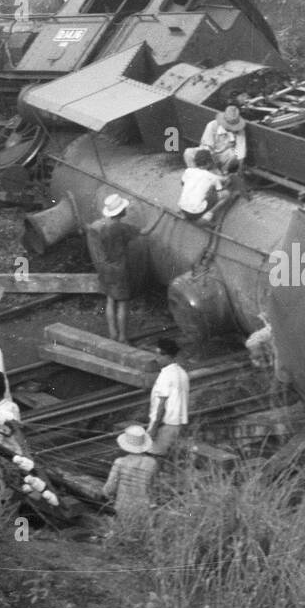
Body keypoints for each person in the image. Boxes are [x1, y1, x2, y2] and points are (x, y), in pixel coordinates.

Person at [87, 193, 140, 342]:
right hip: (119, 270)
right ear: (121, 212)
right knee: (123, 303)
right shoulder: (122, 228)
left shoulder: (98, 225)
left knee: (110, 300)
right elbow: (144, 232)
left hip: (104, 268)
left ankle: (113, 333)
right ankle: (123, 337)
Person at [103, 424, 159, 518]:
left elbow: (109, 489)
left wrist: (110, 496)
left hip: (123, 510)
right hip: (145, 510)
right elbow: (153, 488)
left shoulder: (120, 462)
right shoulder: (152, 463)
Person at [146, 338, 189, 457]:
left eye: (158, 355)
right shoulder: (182, 373)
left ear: (167, 356)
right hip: (176, 423)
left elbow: (162, 405)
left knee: (154, 456)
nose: (156, 358)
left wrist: (154, 427)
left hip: (164, 424)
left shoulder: (165, 375)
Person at [184, 105, 248, 174]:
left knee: (233, 155)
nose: (232, 128)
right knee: (188, 152)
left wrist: (238, 171)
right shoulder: (212, 125)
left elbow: (241, 153)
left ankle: (223, 174)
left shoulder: (240, 130)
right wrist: (212, 166)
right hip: (208, 154)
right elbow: (207, 148)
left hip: (224, 156)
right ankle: (195, 175)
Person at [178, 150, 227, 222]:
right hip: (196, 212)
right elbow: (220, 192)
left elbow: (182, 183)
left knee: (201, 191)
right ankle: (207, 216)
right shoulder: (212, 177)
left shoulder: (188, 170)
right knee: (226, 194)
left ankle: (187, 208)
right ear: (208, 163)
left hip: (182, 207)